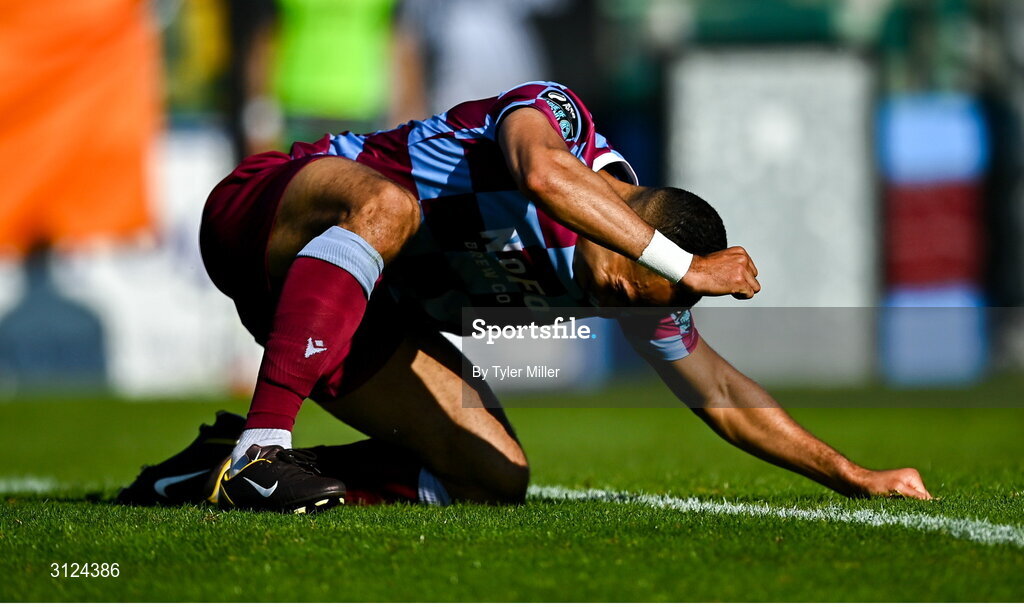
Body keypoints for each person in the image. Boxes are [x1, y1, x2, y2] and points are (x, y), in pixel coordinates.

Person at [118, 81, 931, 513]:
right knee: (393, 207)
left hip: (340, 316)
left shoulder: (639, 284)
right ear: (626, 215)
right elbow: (542, 175)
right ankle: (263, 450)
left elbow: (719, 392)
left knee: (495, 476)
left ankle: (212, 471)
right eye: (621, 274)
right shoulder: (561, 123)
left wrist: (854, 474)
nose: (615, 297)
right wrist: (680, 263)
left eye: (634, 298)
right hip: (271, 216)